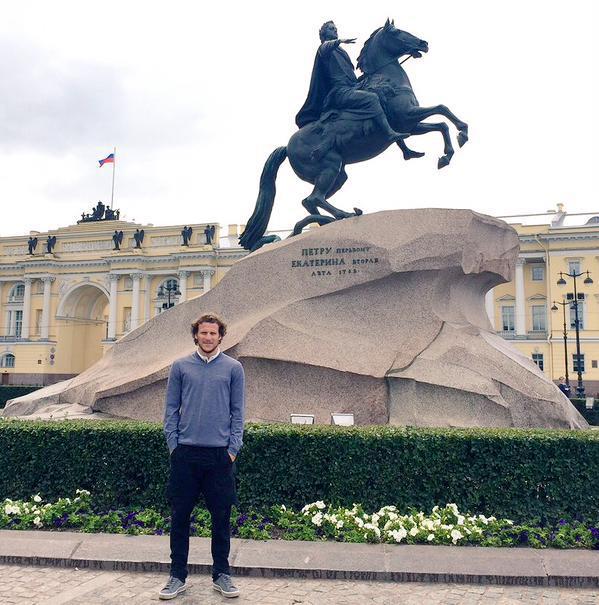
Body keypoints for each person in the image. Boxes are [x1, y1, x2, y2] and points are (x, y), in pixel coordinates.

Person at [160, 313, 245, 600]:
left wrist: (232, 450)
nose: (208, 337)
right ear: (196, 335)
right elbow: (171, 409)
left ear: (221, 336)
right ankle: (177, 575)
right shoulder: (180, 366)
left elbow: (238, 412)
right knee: (180, 517)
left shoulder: (234, 368)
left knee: (221, 518)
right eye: (203, 333)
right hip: (185, 454)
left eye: (213, 333)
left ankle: (222, 574)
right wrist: (174, 445)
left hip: (220, 456)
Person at [295, 20, 406, 144]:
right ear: (324, 33)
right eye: (331, 28)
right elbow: (325, 47)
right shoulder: (325, 48)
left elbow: (349, 75)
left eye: (335, 28)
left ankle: (404, 148)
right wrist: (339, 41)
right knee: (371, 98)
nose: (335, 30)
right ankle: (389, 133)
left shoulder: (341, 51)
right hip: (340, 92)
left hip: (352, 87)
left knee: (382, 91)